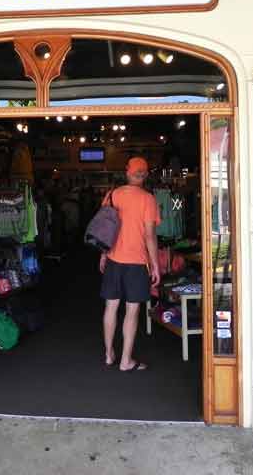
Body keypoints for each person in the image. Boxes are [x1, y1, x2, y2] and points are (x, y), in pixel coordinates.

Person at [99, 156, 161, 371]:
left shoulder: (112, 195)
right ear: (144, 175)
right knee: (132, 311)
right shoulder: (148, 199)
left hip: (114, 258)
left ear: (127, 172)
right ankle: (125, 361)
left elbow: (104, 228)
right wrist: (155, 264)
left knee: (111, 307)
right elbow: (150, 236)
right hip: (137, 262)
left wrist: (103, 254)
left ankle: (109, 354)